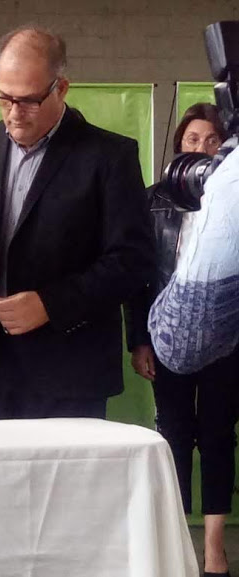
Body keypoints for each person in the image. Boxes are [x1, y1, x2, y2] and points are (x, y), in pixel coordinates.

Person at [0, 26, 153, 420]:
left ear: (61, 87)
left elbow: (132, 261)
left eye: (27, 101)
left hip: (68, 375)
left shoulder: (110, 156)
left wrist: (51, 304)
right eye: (4, 98)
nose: (13, 112)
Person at [131, 103, 237, 576]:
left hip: (227, 341)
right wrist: (140, 340)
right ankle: (174, 540)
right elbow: (137, 279)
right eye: (193, 139)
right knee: (172, 435)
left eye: (213, 140)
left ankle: (215, 547)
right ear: (179, 145)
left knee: (217, 436)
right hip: (164, 337)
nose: (202, 148)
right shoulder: (152, 200)